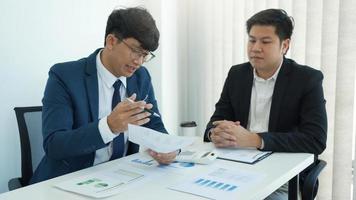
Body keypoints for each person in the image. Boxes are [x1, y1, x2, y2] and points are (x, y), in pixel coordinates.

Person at [30, 7, 177, 184]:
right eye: (136, 50)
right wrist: (109, 126)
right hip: (67, 181)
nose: (139, 61)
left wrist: (169, 149)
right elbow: (54, 145)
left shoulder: (140, 77)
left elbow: (153, 123)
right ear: (111, 41)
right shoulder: (64, 76)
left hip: (120, 179)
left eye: (145, 55)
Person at [203, 9, 327, 199]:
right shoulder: (237, 75)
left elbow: (315, 140)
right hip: (232, 167)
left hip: (283, 178)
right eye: (252, 40)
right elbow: (216, 121)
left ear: (285, 45)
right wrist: (215, 133)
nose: (255, 48)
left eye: (265, 42)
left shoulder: (307, 79)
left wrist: (254, 139)